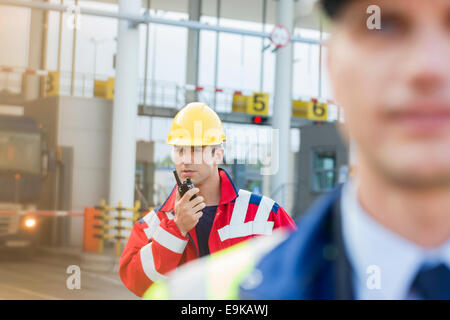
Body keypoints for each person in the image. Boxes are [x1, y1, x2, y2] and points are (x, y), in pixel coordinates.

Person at [144, 0, 450, 300]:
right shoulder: (196, 292)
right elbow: (138, 275)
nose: (426, 67)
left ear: (217, 153)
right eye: (386, 27)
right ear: (332, 67)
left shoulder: (262, 216)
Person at [119, 102, 296, 297]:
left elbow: (301, 267)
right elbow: (136, 283)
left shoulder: (264, 213)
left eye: (196, 149)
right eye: (180, 150)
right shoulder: (154, 223)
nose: (186, 159)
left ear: (217, 155)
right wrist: (176, 229)